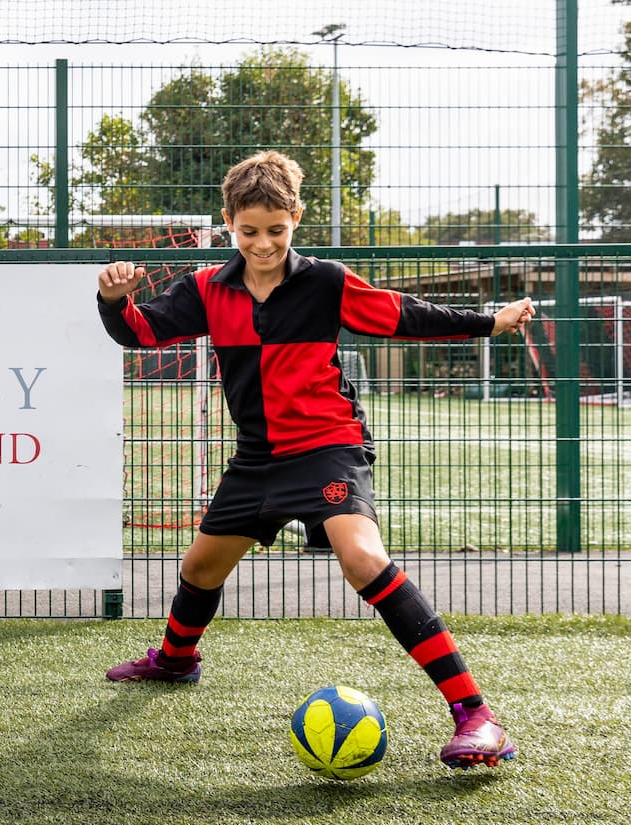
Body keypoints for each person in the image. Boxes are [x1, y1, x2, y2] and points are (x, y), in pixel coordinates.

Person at [96, 150, 532, 770]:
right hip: (256, 459)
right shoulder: (205, 289)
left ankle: (477, 717)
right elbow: (138, 332)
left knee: (362, 558)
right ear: (230, 223)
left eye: (276, 229)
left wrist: (489, 322)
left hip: (328, 448)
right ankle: (176, 660)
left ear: (296, 218)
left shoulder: (326, 282)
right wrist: (114, 300)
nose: (264, 242)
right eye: (250, 231)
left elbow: (403, 315)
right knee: (200, 567)